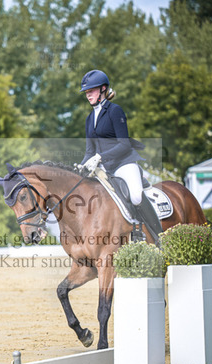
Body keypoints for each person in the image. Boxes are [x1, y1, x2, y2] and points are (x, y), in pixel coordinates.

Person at [77, 69, 163, 242]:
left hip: (124, 164)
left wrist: (100, 157)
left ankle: (160, 237)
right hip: (104, 169)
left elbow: (124, 144)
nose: (88, 95)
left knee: (136, 196)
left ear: (103, 89)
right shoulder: (89, 119)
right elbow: (89, 151)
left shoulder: (115, 111)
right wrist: (80, 166)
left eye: (91, 90)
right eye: (86, 92)